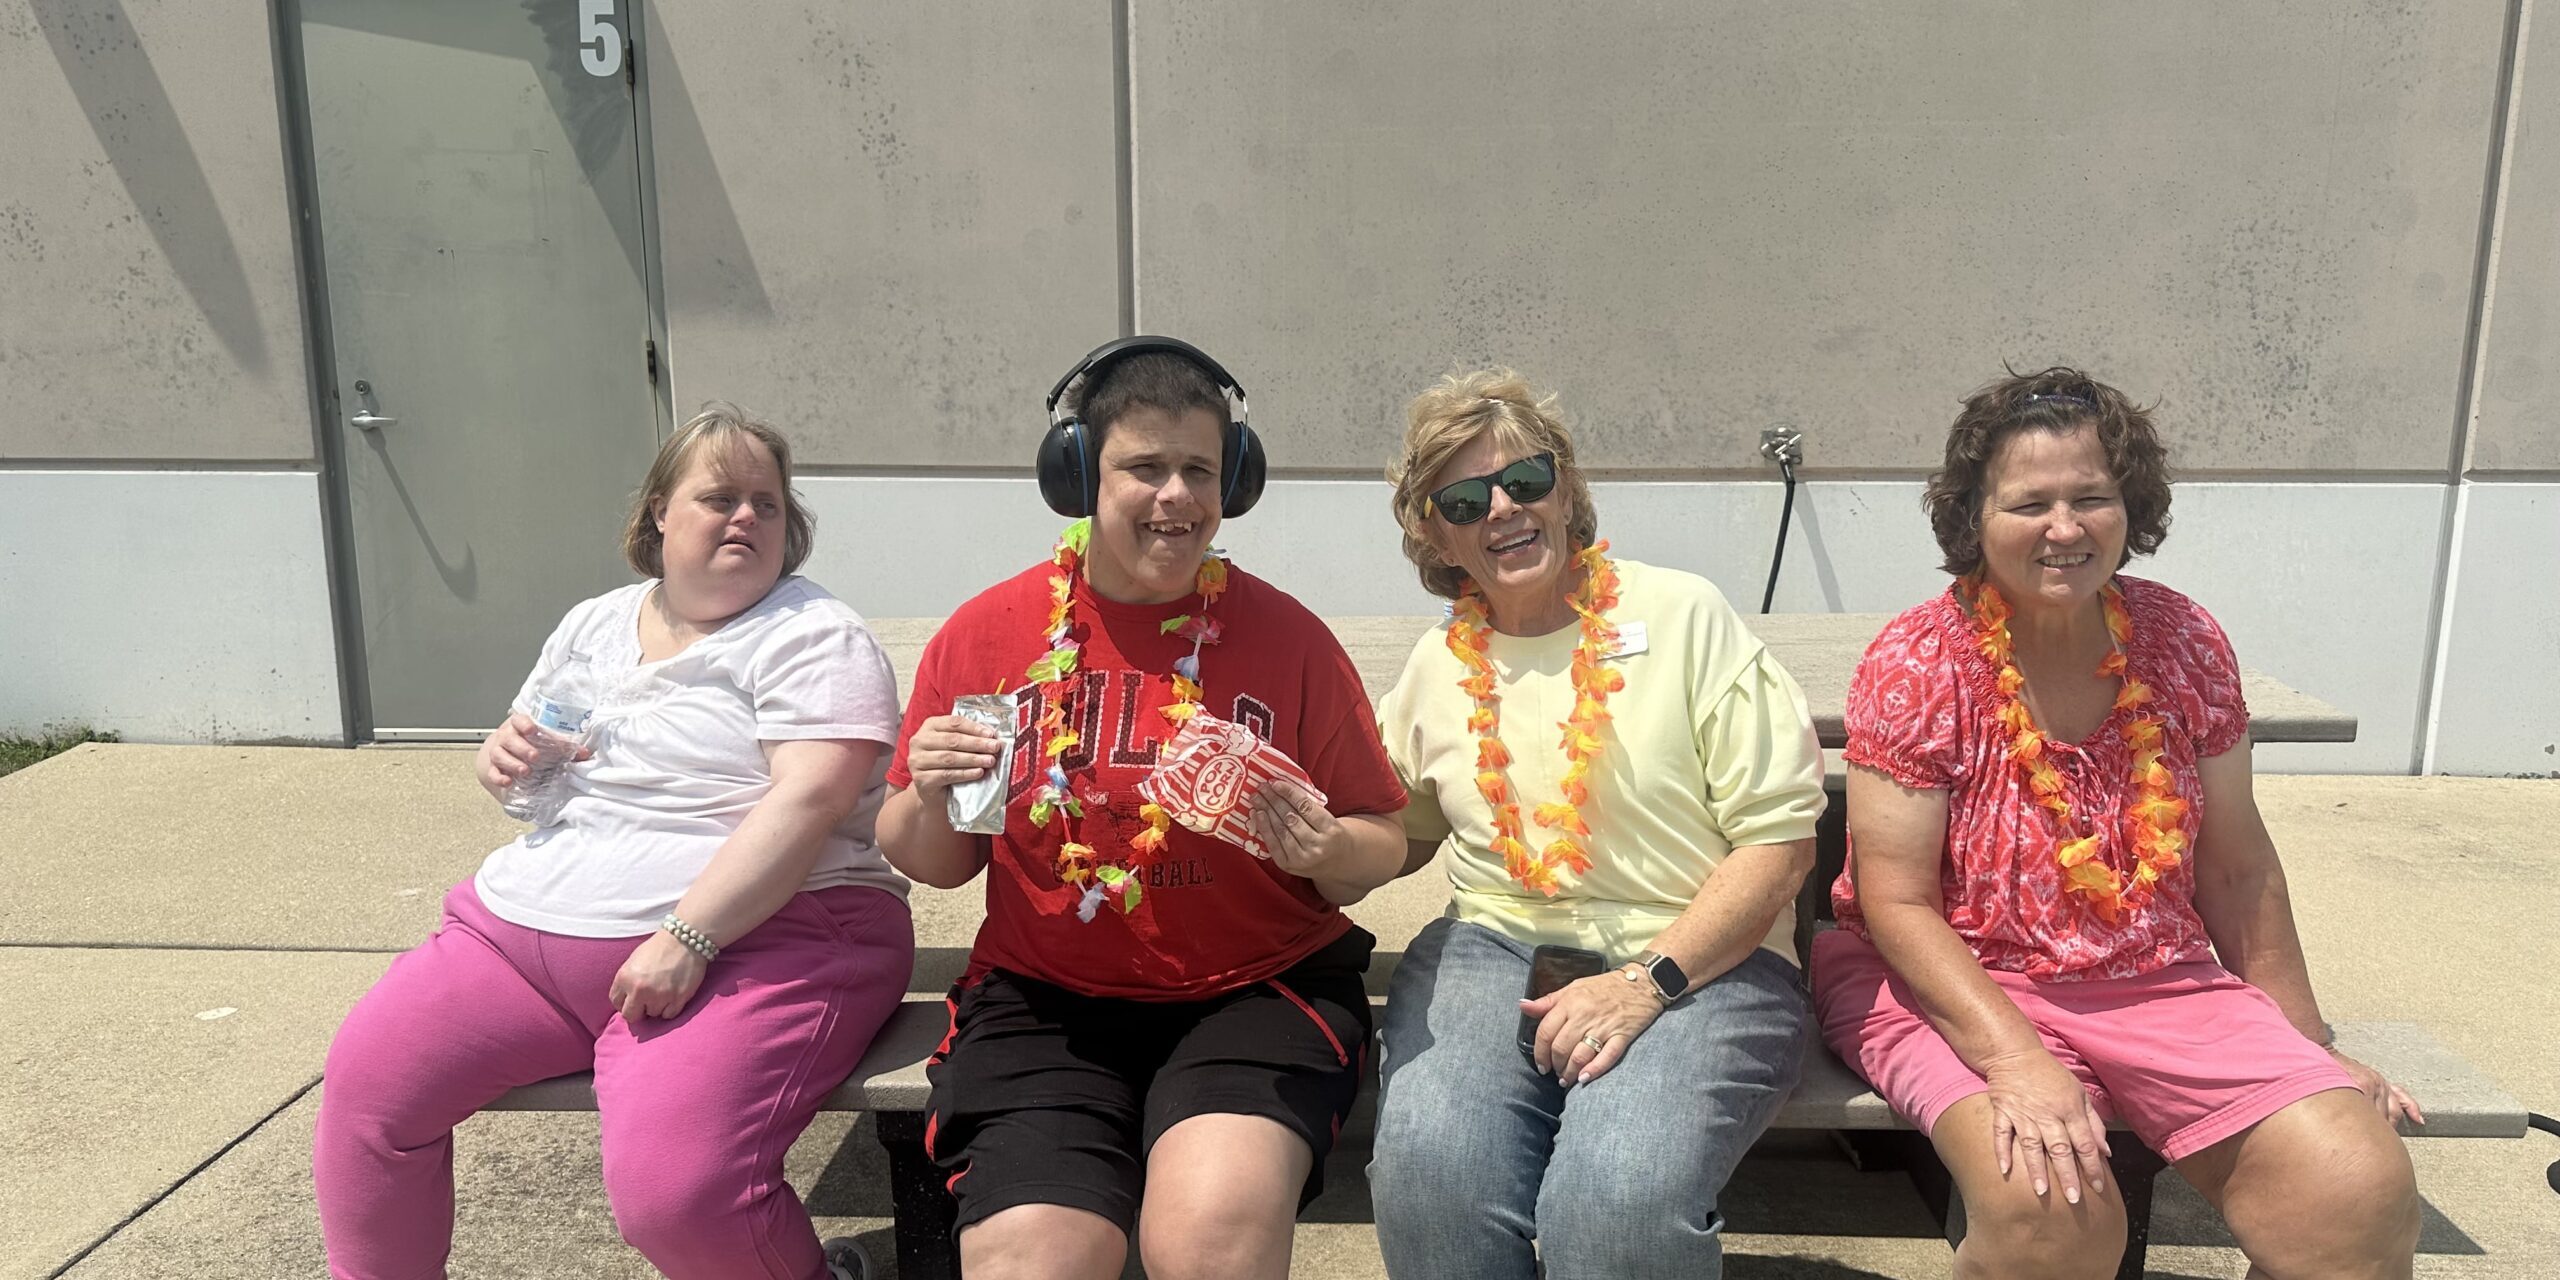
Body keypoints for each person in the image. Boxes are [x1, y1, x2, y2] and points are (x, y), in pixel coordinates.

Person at [1815, 367, 2425, 1279]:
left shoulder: (2182, 639)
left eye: (2091, 498)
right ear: (1972, 519)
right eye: (2030, 504)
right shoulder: (1919, 660)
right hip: (1951, 981)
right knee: (2052, 1213)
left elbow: (2236, 867)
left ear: (2128, 507)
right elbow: (1895, 901)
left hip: (2157, 979)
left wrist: (2307, 1046)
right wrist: (2018, 1063)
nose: (2065, 529)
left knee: (2354, 1187)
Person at [314, 406, 913, 1280]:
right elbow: (542, 780)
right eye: (719, 497)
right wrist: (507, 760)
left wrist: (687, 935)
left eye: (767, 503)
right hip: (520, 938)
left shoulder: (813, 635)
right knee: (370, 1098)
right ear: (661, 513)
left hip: (760, 944)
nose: (746, 516)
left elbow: (811, 798)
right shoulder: (594, 623)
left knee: (680, 1196)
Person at [876, 337, 1410, 1280]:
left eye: (1199, 470)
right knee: (1037, 1261)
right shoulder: (989, 635)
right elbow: (937, 860)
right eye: (1144, 467)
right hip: (1046, 1004)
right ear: (1080, 473)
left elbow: (1381, 843)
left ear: (1233, 482)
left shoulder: (1288, 639)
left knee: (1206, 1247)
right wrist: (927, 792)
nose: (1176, 496)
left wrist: (1328, 845)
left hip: (1256, 991)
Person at [1364, 369, 1828, 1280]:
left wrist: (1646, 982)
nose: (1503, 508)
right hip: (1495, 949)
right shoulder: (1437, 663)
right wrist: (1314, 836)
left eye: (1525, 480)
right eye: (1464, 498)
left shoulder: (1682, 613)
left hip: (1698, 958)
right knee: (1430, 1180)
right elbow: (1400, 830)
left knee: (1614, 1202)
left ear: (1566, 487)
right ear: (1437, 534)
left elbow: (1780, 844)